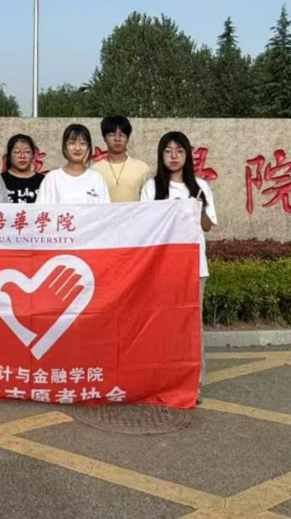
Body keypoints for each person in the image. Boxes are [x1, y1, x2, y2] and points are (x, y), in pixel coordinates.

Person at [140, 131, 216, 394]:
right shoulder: (151, 187)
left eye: (179, 151)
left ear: (187, 155)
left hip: (194, 268)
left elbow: (208, 226)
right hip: (161, 267)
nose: (173, 156)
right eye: (168, 151)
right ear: (161, 155)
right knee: (162, 324)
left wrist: (200, 208)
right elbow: (145, 225)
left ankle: (193, 383)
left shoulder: (200, 186)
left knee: (191, 326)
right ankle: (161, 380)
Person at [37, 124, 110, 204]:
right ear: (65, 146)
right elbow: (41, 209)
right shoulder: (52, 178)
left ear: (88, 147)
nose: (77, 148)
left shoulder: (97, 179)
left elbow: (105, 210)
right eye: (72, 143)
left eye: (83, 143)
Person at [91, 116, 151, 202]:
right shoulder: (94, 171)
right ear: (104, 138)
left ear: (128, 139)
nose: (117, 139)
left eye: (122, 135)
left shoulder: (142, 168)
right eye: (112, 135)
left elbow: (148, 202)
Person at [1, 134, 45, 203]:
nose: (22, 156)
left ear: (33, 155)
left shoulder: (44, 181)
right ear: (9, 156)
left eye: (27, 152)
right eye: (17, 152)